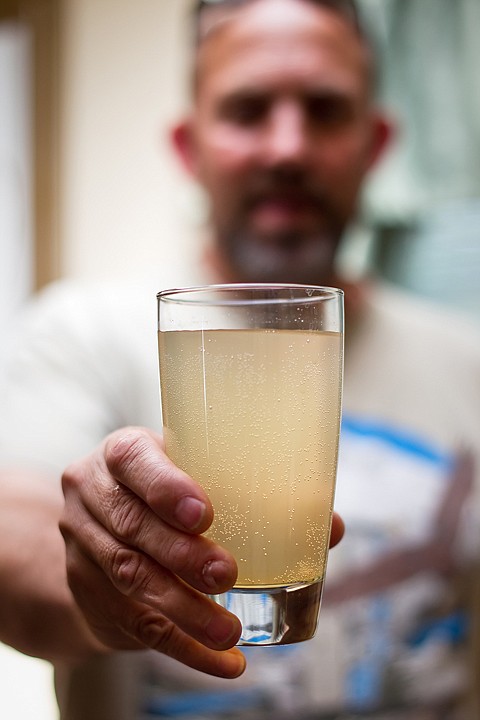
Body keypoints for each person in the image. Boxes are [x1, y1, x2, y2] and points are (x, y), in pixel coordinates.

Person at [0, 0, 479, 718]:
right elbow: (14, 542)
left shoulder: (468, 358)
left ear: (376, 143)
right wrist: (94, 585)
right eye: (248, 109)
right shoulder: (78, 333)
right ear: (188, 145)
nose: (287, 147)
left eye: (325, 110)